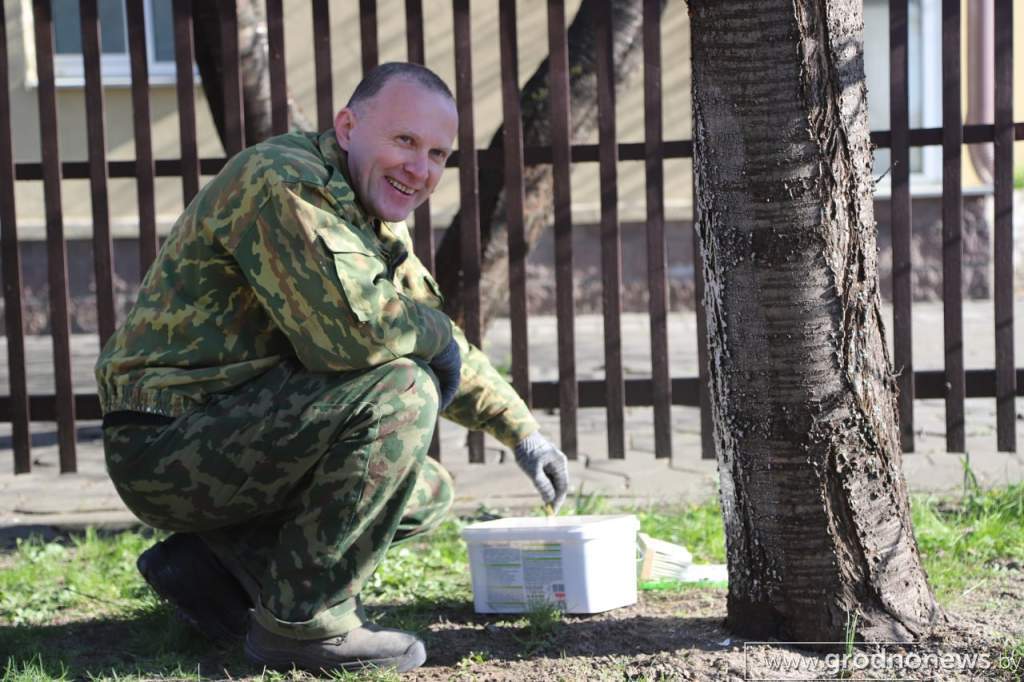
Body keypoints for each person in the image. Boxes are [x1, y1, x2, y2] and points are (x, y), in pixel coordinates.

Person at [95, 62, 569, 675]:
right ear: (348, 127)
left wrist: (524, 432)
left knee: (423, 492)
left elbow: (425, 327)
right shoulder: (285, 182)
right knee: (402, 392)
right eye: (403, 141)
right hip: (167, 439)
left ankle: (216, 569)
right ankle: (303, 626)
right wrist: (435, 344)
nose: (419, 168)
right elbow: (361, 335)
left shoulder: (370, 219)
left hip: (235, 430)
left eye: (437, 154)